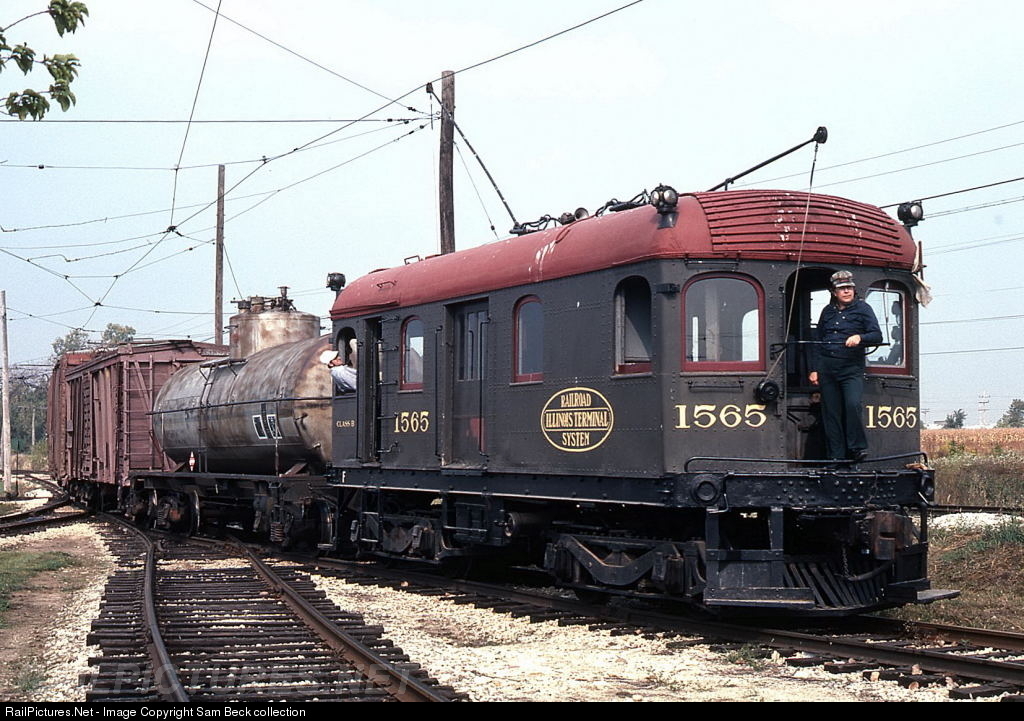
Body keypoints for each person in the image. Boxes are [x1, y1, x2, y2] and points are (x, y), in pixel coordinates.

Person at [808, 271, 882, 462]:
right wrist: (815, 368)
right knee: (831, 412)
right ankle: (836, 457)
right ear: (834, 291)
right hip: (827, 368)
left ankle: (856, 448)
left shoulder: (863, 309)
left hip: (851, 368)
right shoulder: (827, 311)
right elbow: (819, 340)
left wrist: (860, 337)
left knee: (852, 404)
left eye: (849, 287)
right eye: (842, 289)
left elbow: (877, 335)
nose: (846, 291)